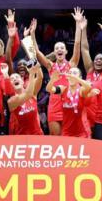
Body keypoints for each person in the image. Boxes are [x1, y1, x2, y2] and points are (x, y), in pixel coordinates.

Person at [32, 8, 83, 136]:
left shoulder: (71, 64)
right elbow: (37, 52)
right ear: (54, 53)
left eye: (62, 48)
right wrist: (32, 33)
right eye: (57, 48)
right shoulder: (50, 66)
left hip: (69, 103)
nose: (59, 50)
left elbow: (77, 45)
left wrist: (78, 24)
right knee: (56, 139)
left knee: (69, 139)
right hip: (54, 104)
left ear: (66, 51)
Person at [81, 16, 102, 130]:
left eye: (101, 59)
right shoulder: (90, 70)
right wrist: (83, 30)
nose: (98, 60)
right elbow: (85, 49)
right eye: (96, 59)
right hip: (88, 112)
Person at [47, 67, 92, 138]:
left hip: (82, 132)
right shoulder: (63, 89)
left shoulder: (81, 90)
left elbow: (88, 87)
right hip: (67, 132)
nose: (72, 75)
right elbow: (49, 89)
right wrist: (52, 79)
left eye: (74, 73)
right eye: (70, 73)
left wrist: (76, 79)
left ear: (79, 77)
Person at [8, 64, 44, 135]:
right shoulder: (11, 101)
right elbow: (27, 94)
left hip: (38, 135)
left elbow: (40, 77)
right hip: (21, 138)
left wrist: (36, 63)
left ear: (22, 81)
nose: (15, 79)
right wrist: (32, 73)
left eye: (17, 77)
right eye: (12, 79)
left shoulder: (32, 93)